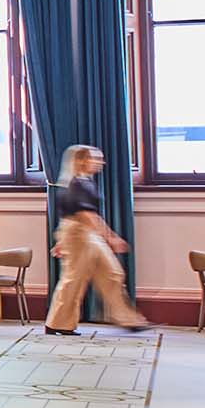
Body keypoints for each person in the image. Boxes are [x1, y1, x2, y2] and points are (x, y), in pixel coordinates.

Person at [43, 144, 150, 336]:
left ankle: (128, 319)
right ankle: (57, 323)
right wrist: (111, 237)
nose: (101, 162)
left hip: (82, 233)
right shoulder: (77, 184)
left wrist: (63, 242)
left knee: (112, 273)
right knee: (74, 279)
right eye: (96, 158)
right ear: (82, 161)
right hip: (80, 233)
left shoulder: (82, 182)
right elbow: (84, 215)